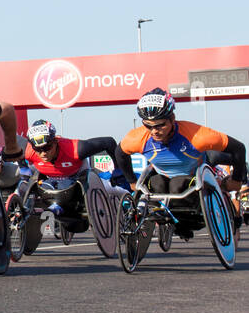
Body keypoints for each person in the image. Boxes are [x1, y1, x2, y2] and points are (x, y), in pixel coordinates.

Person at [119, 89, 246, 236]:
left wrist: (236, 181)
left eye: (160, 125)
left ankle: (183, 224)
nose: (154, 131)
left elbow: (238, 148)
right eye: (148, 126)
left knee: (177, 184)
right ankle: (160, 216)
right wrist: (132, 182)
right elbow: (120, 154)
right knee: (155, 183)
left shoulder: (197, 135)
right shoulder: (136, 138)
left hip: (192, 178)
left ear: (172, 119)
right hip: (162, 176)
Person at [22, 119, 134, 187]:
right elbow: (12, 149)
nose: (43, 153)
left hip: (78, 173)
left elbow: (109, 142)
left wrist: (118, 170)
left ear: (55, 141)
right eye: (38, 149)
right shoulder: (28, 151)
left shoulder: (76, 149)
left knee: (112, 189)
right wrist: (23, 168)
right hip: (49, 178)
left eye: (47, 147)